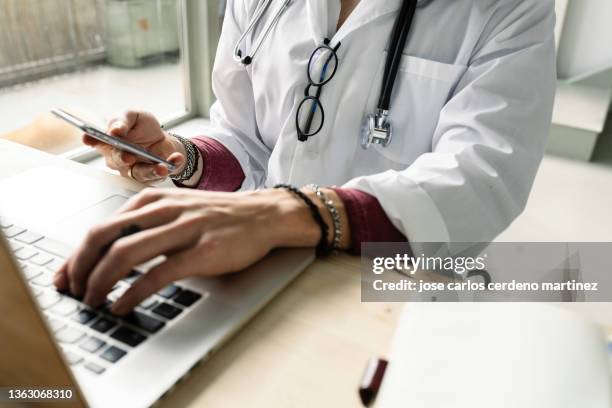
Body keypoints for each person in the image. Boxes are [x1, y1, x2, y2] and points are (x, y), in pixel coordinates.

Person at [54, 0, 556, 314]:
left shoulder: (509, 7)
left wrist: (301, 212)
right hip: (264, 255)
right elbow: (244, 136)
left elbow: (483, 176)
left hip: (389, 280)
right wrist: (180, 155)